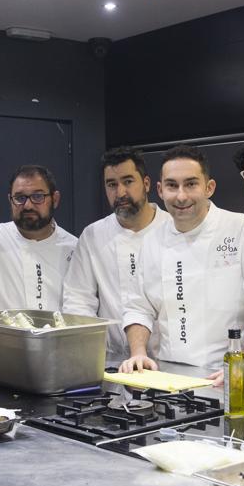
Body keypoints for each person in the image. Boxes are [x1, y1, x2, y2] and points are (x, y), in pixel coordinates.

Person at [120, 145, 244, 384]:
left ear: (209, 188)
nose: (181, 196)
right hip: (168, 376)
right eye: (172, 185)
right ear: (160, 190)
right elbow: (138, 307)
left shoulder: (240, 229)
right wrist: (138, 353)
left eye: (191, 184)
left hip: (227, 377)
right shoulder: (152, 241)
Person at [62, 147, 171, 360]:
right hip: (111, 359)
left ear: (146, 183)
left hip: (167, 360)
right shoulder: (93, 235)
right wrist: (87, 352)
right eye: (112, 184)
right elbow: (78, 299)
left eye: (128, 181)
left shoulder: (172, 228)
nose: (120, 192)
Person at [0, 164, 78, 313]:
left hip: (60, 335)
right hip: (1, 335)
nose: (27, 205)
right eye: (20, 198)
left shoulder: (74, 248)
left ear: (55, 199)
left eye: (38, 196)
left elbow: (80, 305)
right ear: (10, 200)